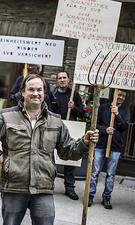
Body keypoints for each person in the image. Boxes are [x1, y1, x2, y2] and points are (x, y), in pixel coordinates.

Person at [0, 74, 99, 225]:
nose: (36, 93)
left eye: (40, 90)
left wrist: (84, 142)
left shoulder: (55, 121)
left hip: (43, 187)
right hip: (14, 186)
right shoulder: (6, 116)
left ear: (44, 93)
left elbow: (68, 151)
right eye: (31, 89)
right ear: (23, 92)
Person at [89, 89, 130, 209]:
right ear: (114, 95)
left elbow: (124, 126)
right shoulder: (103, 107)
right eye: (120, 94)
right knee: (95, 172)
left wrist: (117, 114)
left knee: (111, 174)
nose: (121, 97)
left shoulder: (125, 110)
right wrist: (105, 130)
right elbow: (95, 124)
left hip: (115, 146)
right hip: (101, 144)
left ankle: (106, 198)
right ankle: (90, 196)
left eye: (123, 96)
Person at [51, 71, 85, 200]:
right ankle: (48, 185)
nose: (62, 80)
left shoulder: (74, 95)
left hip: (69, 131)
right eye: (59, 78)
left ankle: (69, 188)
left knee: (70, 162)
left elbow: (82, 113)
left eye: (64, 77)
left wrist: (74, 107)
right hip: (54, 129)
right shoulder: (52, 94)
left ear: (68, 80)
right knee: (51, 159)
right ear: (57, 81)